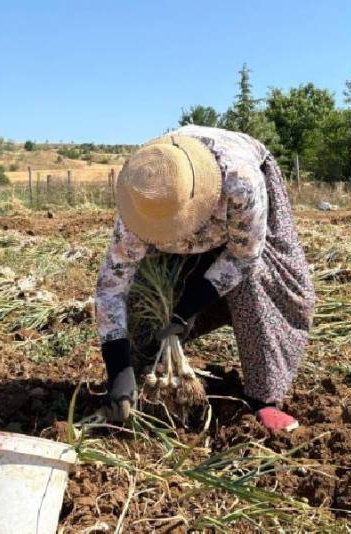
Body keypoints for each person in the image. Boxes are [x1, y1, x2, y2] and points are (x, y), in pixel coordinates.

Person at [95, 125, 316, 432]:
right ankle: (145, 371)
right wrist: (118, 369)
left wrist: (189, 307)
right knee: (148, 296)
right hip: (175, 196)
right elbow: (111, 289)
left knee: (256, 284)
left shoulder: (242, 184)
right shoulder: (142, 203)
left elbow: (244, 255)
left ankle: (265, 398)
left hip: (237, 213)